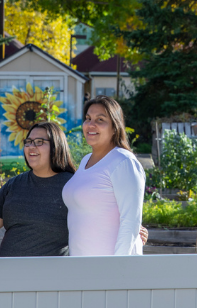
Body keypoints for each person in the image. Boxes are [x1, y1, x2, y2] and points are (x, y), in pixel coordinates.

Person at [62, 95, 146, 256]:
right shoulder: (86, 160)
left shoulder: (123, 161)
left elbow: (130, 222)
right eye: (88, 118)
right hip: (82, 265)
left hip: (110, 269)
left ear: (115, 127)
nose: (91, 124)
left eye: (100, 120)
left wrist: (116, 268)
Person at [0, 122, 75, 256]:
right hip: (7, 273)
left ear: (56, 145)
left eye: (39, 142)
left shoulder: (73, 185)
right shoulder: (14, 184)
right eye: (28, 142)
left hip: (51, 275)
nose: (31, 147)